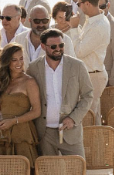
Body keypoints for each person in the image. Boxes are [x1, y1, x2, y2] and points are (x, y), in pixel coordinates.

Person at [26, 29, 92, 158]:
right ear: (43, 46)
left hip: (70, 131)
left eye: (61, 45)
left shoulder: (77, 66)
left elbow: (88, 95)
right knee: (48, 170)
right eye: (53, 46)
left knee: (78, 168)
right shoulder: (33, 68)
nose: (58, 49)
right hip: (44, 133)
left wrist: (73, 118)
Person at [0, 44, 41, 167]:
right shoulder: (1, 81)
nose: (19, 63)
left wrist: (13, 121)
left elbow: (36, 111)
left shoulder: (29, 82)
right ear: (7, 61)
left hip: (21, 133)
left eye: (21, 58)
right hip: (2, 132)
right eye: (14, 60)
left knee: (22, 170)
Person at [71, 0, 109, 110]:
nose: (78, 7)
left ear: (87, 3)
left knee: (89, 115)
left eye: (79, 4)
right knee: (92, 115)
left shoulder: (99, 25)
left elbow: (79, 52)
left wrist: (74, 28)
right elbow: (82, 42)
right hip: (91, 74)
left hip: (93, 76)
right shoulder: (93, 20)